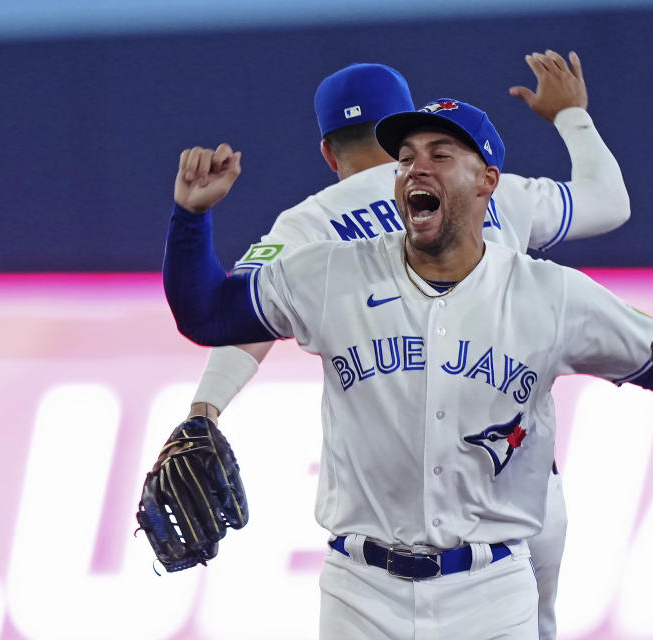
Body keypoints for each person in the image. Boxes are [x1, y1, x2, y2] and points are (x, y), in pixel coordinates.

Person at [162, 99, 653, 638]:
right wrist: (192, 220)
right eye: (406, 157)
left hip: (491, 592)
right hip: (359, 592)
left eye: (440, 154)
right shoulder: (331, 274)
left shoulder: (550, 295)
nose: (415, 169)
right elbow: (206, 316)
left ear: (487, 181)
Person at [185, 50, 629, 640]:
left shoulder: (307, 223)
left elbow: (241, 320)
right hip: (521, 499)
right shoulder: (491, 189)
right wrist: (572, 114)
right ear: (412, 125)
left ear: (326, 151)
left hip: (390, 540)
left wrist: (204, 409)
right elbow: (609, 202)